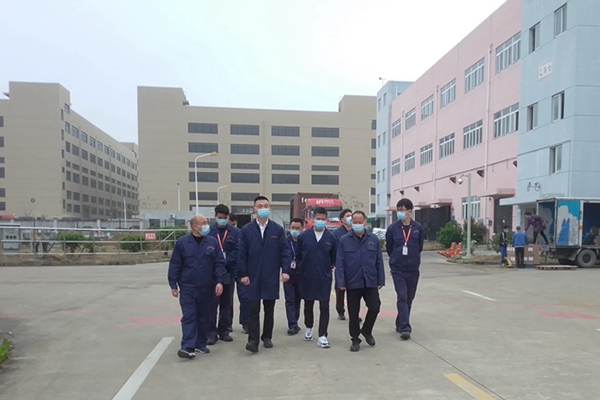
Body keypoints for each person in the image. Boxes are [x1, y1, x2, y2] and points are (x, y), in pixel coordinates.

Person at [238, 196, 291, 353]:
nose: (263, 208)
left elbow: (285, 252)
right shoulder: (246, 230)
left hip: (270, 274)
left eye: (266, 206)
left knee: (269, 308)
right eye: (260, 206)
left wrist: (285, 270)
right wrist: (243, 273)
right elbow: (242, 254)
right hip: (253, 275)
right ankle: (252, 341)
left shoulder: (277, 229)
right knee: (253, 309)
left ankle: (267, 336)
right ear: (254, 209)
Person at [168, 214, 226, 358]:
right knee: (189, 316)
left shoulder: (212, 242)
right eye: (204, 223)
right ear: (195, 226)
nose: (207, 225)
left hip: (207, 287)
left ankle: (200, 343)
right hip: (188, 287)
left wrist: (219, 281)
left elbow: (219, 263)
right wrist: (173, 284)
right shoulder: (182, 243)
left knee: (204, 317)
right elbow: (175, 264)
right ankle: (188, 346)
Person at [336, 211, 385, 352]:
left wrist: (380, 279)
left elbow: (379, 260)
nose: (357, 224)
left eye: (360, 222)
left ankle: (367, 330)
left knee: (375, 307)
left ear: (365, 222)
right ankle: (355, 339)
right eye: (354, 222)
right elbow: (340, 262)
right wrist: (341, 281)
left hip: (370, 280)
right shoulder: (344, 240)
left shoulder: (373, 239)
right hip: (352, 281)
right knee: (353, 312)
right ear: (351, 223)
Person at [296, 207, 337, 348]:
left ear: (326, 220)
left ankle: (323, 335)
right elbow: (298, 256)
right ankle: (309, 327)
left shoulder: (331, 238)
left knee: (324, 306)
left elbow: (333, 257)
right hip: (307, 276)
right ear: (312, 219)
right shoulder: (303, 236)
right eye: (318, 218)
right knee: (308, 304)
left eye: (323, 219)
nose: (320, 221)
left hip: (324, 277)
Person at [385, 198, 424, 340]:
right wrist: (396, 259)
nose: (400, 212)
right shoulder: (392, 228)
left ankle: (399, 321)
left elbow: (419, 246)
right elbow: (389, 247)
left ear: (409, 211)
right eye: (398, 210)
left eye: (402, 210)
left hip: (413, 268)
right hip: (398, 268)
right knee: (402, 296)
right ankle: (405, 327)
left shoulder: (417, 228)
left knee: (409, 298)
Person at [206, 204, 240, 345]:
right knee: (212, 303)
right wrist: (217, 263)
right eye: (220, 217)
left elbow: (237, 250)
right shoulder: (208, 231)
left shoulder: (235, 232)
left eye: (225, 218)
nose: (222, 220)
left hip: (228, 271)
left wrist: (225, 262)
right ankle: (211, 333)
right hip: (212, 273)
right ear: (215, 216)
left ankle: (224, 330)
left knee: (226, 303)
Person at [284, 218, 304, 335]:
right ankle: (292, 324)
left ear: (302, 229)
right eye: (293, 228)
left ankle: (295, 320)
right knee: (290, 300)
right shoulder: (285, 242)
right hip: (288, 274)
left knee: (298, 300)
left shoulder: (305, 241)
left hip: (301, 275)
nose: (295, 230)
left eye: (297, 228)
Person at [332, 208, 353, 320]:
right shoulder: (336, 233)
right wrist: (333, 263)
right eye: (347, 216)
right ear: (342, 219)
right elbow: (332, 250)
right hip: (340, 265)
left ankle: (353, 312)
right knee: (340, 289)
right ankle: (340, 310)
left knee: (354, 290)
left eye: (351, 215)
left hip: (353, 265)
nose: (350, 218)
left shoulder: (356, 231)